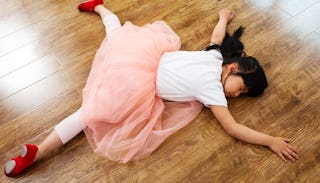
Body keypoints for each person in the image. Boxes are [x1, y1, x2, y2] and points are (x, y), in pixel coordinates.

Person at [4, 0, 299, 177]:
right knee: (115, 43)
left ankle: (37, 152)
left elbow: (217, 38)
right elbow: (233, 127)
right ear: (233, 69)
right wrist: (269, 140)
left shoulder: (214, 66)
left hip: (142, 64)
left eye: (242, 95)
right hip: (140, 72)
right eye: (241, 89)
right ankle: (102, 8)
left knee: (91, 106)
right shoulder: (214, 74)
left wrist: (222, 19)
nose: (236, 95)